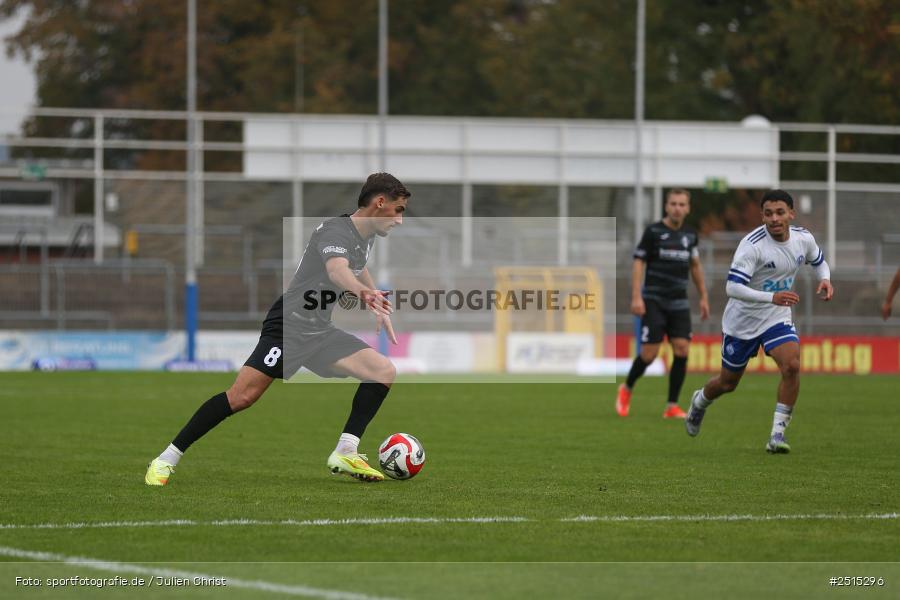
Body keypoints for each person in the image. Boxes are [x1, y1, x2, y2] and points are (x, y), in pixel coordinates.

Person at [145, 173, 409, 485]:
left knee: (382, 371)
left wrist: (374, 297)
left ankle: (346, 451)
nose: (400, 220)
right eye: (399, 210)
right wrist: (364, 294)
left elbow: (356, 265)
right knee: (241, 397)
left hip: (318, 331)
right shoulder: (335, 231)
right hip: (288, 326)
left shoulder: (362, 237)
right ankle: (166, 459)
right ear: (380, 203)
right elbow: (337, 270)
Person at [685, 189, 833, 453]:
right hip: (742, 322)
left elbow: (819, 261)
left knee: (792, 365)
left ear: (791, 214)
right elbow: (732, 288)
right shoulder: (752, 245)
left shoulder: (803, 239)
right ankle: (700, 401)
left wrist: (825, 279)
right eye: (768, 213)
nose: (774, 218)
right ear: (762, 216)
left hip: (776, 318)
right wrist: (771, 296)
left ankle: (776, 435)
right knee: (728, 383)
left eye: (780, 212)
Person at [616, 188, 710, 419]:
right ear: (666, 207)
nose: (677, 208)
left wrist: (704, 296)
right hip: (654, 299)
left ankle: (672, 406)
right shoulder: (654, 232)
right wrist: (637, 296)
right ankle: (626, 388)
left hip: (679, 301)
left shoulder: (690, 235)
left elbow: (695, 266)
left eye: (682, 204)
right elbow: (638, 263)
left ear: (687, 208)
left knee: (682, 349)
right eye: (673, 204)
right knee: (649, 354)